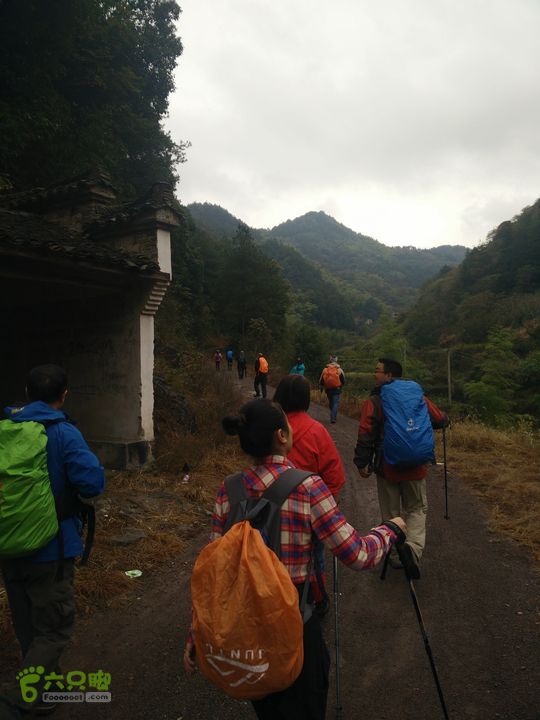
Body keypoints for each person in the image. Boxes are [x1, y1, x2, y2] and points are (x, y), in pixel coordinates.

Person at [183, 398, 406, 720]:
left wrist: (196, 633)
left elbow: (212, 573)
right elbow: (357, 555)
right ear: (282, 435)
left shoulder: (228, 490)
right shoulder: (308, 487)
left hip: (247, 626)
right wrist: (390, 531)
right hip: (294, 625)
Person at [0, 365, 105, 718]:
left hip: (9, 544)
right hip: (51, 548)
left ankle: (48, 685)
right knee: (55, 628)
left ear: (27, 394)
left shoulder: (6, 430)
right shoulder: (63, 433)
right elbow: (92, 482)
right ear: (64, 394)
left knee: (28, 624)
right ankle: (18, 699)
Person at [353, 357, 448, 573]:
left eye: (377, 371)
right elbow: (438, 419)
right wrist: (445, 419)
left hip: (387, 468)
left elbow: (366, 432)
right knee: (416, 508)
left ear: (389, 375)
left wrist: (362, 462)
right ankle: (412, 551)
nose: (374, 374)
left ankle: (395, 554)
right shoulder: (416, 396)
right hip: (416, 467)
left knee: (391, 512)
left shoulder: (375, 401)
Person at [273, 374, 346, 615]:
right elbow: (334, 476)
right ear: (305, 399)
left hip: (270, 511)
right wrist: (324, 509)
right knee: (314, 557)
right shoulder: (317, 431)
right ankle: (316, 599)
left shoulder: (270, 429)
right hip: (307, 513)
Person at [319, 355, 345, 424]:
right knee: (335, 403)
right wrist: (341, 386)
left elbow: (321, 380)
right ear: (336, 360)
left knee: (331, 402)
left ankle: (332, 415)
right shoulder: (339, 369)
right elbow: (343, 380)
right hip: (337, 389)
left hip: (328, 389)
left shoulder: (325, 369)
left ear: (330, 360)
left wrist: (321, 387)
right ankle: (333, 417)